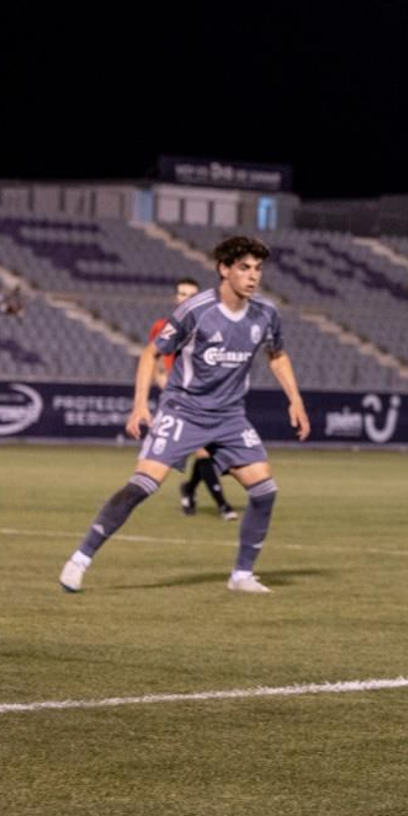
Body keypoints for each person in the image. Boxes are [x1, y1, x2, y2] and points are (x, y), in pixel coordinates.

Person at [59, 237, 309, 594]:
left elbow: (278, 355)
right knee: (142, 485)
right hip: (184, 410)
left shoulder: (265, 314)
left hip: (229, 416)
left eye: (258, 269)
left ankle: (241, 575)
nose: (253, 276)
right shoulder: (196, 310)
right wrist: (140, 405)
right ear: (224, 269)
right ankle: (80, 559)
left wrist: (295, 400)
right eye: (244, 268)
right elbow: (151, 353)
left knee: (264, 490)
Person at [152, 278, 237, 520]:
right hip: (181, 401)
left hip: (207, 399)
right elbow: (157, 364)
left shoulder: (211, 326)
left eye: (192, 295)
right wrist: (171, 391)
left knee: (210, 452)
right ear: (176, 297)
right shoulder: (163, 326)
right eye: (182, 294)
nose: (186, 299)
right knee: (203, 451)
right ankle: (223, 505)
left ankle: (189, 489)